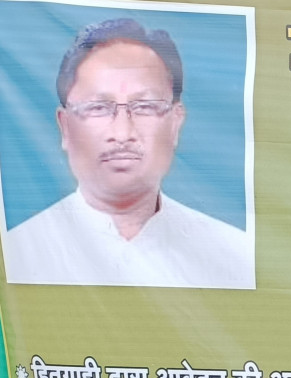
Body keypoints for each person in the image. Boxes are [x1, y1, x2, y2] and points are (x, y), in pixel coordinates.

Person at [2, 18, 252, 289]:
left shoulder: (233, 257)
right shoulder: (16, 255)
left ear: (175, 123)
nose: (122, 134)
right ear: (65, 127)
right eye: (98, 107)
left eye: (145, 106)